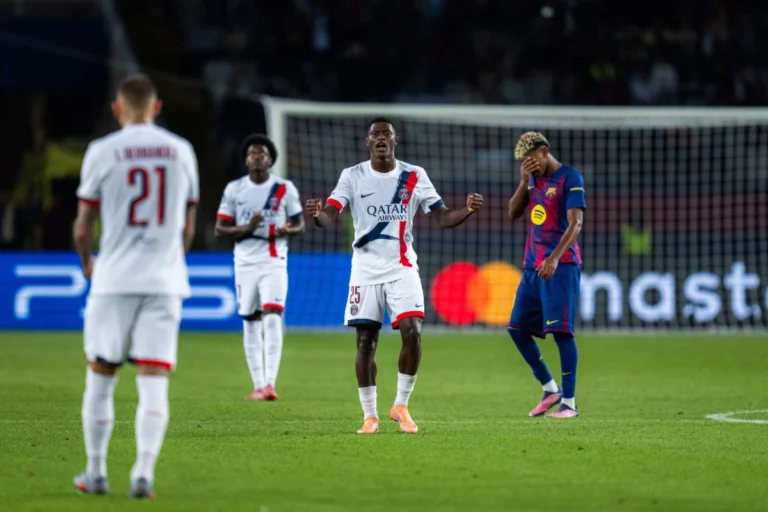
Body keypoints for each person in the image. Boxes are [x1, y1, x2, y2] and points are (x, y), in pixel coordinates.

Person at [305, 117, 483, 434]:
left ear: (395, 142)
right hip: (364, 271)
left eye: (387, 134)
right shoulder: (352, 175)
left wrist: (466, 210)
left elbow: (442, 217)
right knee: (365, 343)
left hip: (402, 267)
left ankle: (401, 405)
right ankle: (369, 415)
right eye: (375, 134)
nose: (381, 138)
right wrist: (317, 215)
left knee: (413, 331)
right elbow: (329, 216)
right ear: (367, 142)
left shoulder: (414, 175)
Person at [72, 73, 199, 498]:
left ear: (117, 109)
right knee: (153, 381)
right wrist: (171, 258)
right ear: (157, 108)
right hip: (164, 280)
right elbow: (187, 225)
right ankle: (143, 475)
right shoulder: (182, 151)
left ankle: (96, 472)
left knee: (101, 376)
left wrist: (89, 263)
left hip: (115, 279)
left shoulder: (101, 151)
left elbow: (82, 226)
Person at [215, 133, 304, 401]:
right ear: (245, 159)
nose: (257, 157)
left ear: (270, 160)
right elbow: (220, 229)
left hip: (273, 260)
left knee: (273, 316)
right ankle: (257, 384)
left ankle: (269, 383)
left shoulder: (284, 189)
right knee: (251, 322)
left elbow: (300, 224)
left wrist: (287, 229)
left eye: (262, 153)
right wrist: (246, 228)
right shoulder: (234, 189)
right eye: (252, 153)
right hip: (244, 262)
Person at [507, 132, 586, 419]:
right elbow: (513, 213)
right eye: (523, 163)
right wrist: (522, 181)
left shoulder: (570, 178)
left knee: (562, 332)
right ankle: (550, 388)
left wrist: (553, 258)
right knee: (516, 329)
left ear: (544, 151)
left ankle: (569, 403)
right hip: (532, 267)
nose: (529, 166)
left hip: (560, 266)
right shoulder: (532, 180)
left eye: (531, 160)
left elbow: (576, 224)